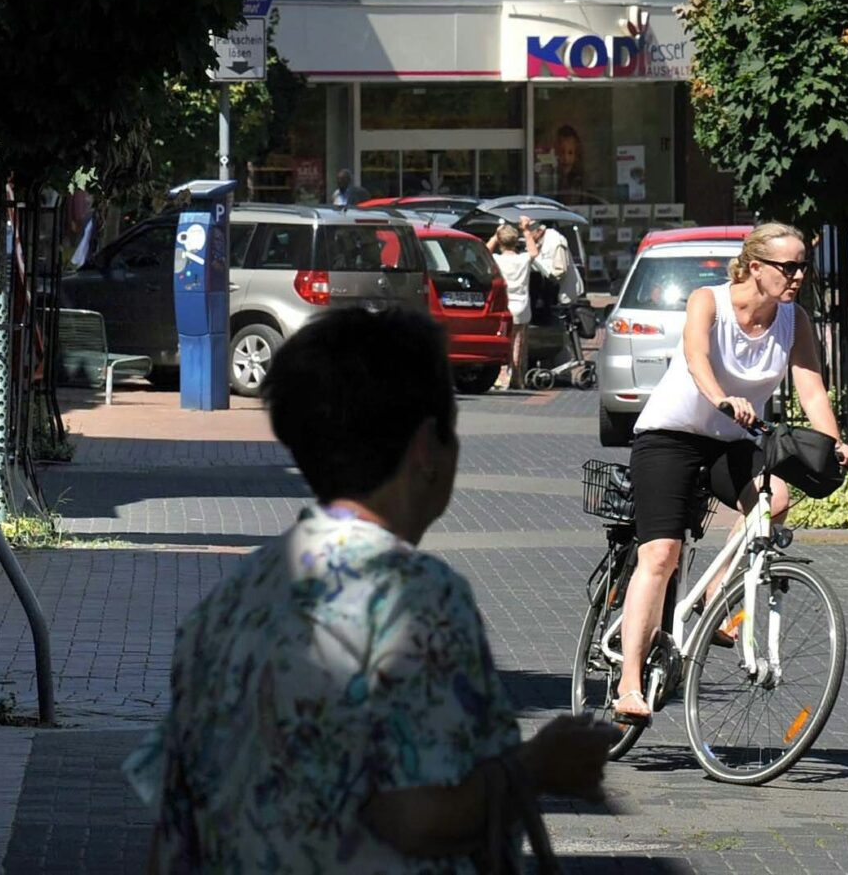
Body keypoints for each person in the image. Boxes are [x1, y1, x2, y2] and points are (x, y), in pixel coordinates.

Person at [144, 307, 615, 873]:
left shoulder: (223, 609)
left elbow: (173, 832)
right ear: (425, 450)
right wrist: (538, 766)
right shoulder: (420, 596)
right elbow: (416, 819)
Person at [613, 223, 848, 724]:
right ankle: (629, 685)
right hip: (670, 436)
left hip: (730, 442)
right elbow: (696, 357)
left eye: (802, 267)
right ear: (754, 267)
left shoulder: (795, 322)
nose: (797, 277)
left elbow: (811, 391)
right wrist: (721, 397)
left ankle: (712, 595)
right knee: (660, 555)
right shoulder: (710, 302)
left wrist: (836, 447)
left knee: (777, 500)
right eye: (787, 267)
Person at [487, 222, 534, 388]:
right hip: (521, 306)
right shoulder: (523, 259)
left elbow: (485, 251)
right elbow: (534, 252)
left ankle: (501, 376)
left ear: (500, 242)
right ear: (516, 241)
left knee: (502, 342)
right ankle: (516, 377)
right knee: (518, 344)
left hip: (504, 306)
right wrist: (526, 230)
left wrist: (495, 235)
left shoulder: (496, 260)